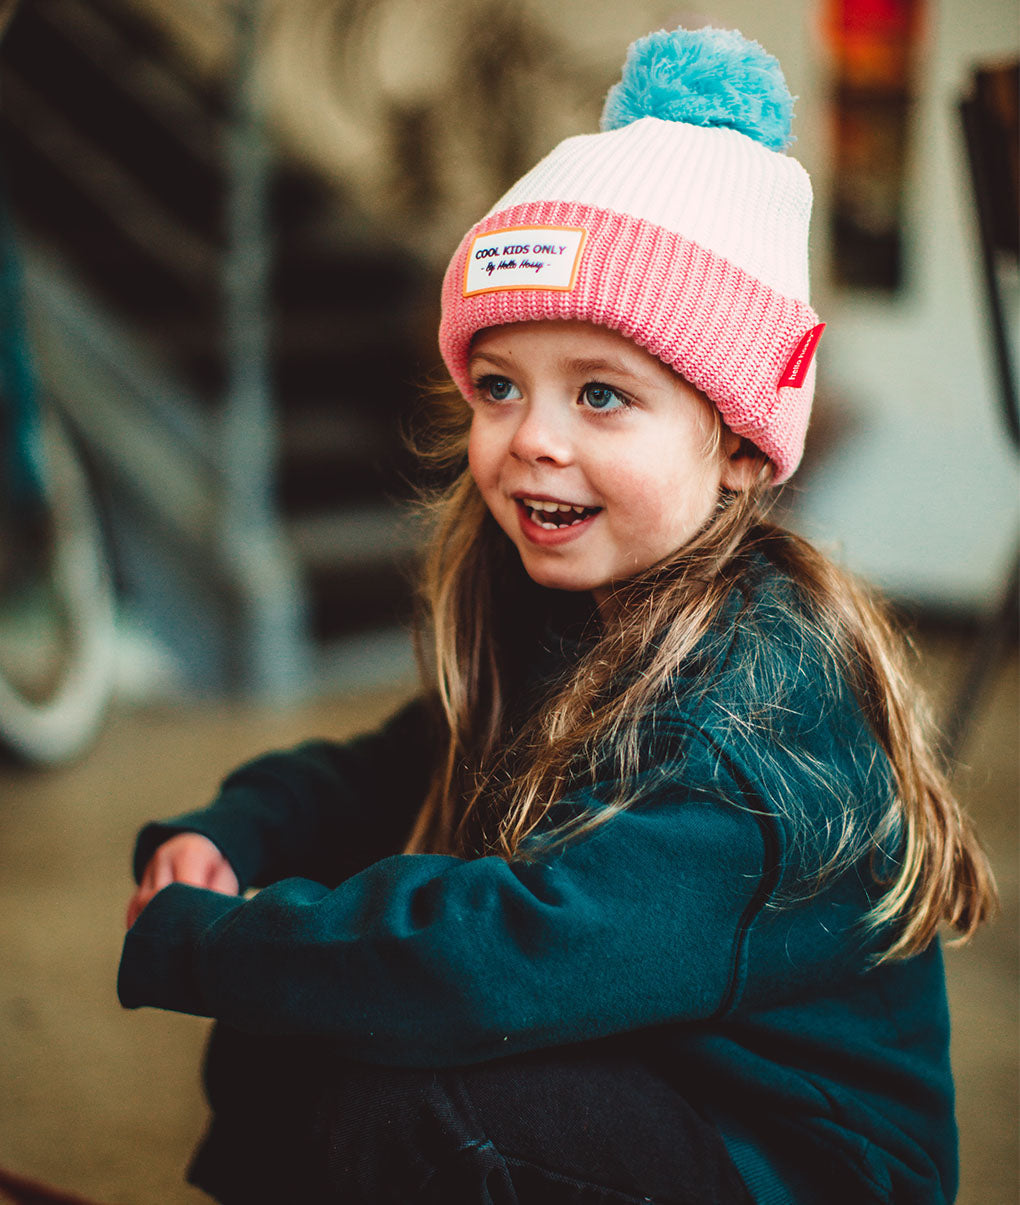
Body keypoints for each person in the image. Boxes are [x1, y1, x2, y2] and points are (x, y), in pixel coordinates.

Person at [118, 25, 996, 1205]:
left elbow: (506, 956)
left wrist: (214, 941)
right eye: (499, 384)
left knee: (415, 1082)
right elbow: (401, 763)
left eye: (601, 393)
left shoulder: (758, 716)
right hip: (664, 1086)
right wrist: (241, 831)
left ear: (738, 445)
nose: (535, 435)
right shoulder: (566, 605)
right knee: (303, 1019)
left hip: (790, 1163)